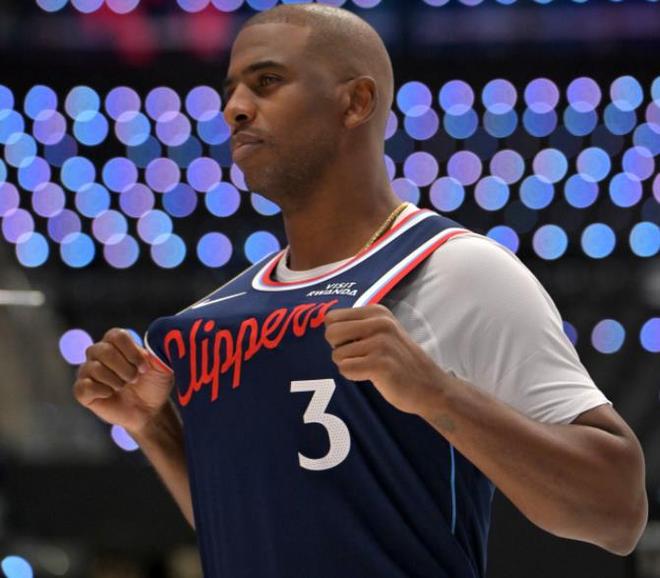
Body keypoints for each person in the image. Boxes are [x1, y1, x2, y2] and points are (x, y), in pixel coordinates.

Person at [73, 4, 647, 577]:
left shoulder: (457, 270)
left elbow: (618, 514)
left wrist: (438, 395)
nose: (235, 109)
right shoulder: (219, 315)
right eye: (230, 92)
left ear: (356, 102)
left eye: (267, 81)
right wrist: (151, 427)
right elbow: (259, 528)